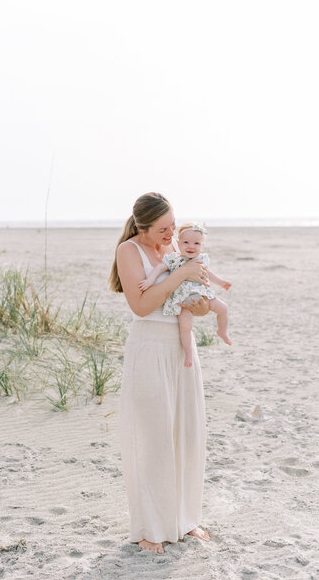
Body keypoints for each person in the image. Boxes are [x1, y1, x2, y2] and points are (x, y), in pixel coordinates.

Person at [109, 192, 211, 555]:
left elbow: (192, 306)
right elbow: (141, 305)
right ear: (143, 226)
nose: (172, 232)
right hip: (149, 349)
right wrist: (181, 273)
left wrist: (199, 304)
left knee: (187, 433)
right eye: (164, 228)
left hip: (182, 350)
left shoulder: (178, 251)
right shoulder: (129, 252)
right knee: (153, 440)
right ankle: (150, 528)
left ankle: (184, 520)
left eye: (174, 224)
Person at [138, 221, 232, 367]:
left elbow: (208, 273)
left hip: (203, 295)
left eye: (196, 243)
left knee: (223, 308)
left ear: (202, 246)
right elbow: (159, 268)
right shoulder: (174, 259)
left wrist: (221, 282)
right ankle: (188, 355)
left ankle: (222, 331)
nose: (191, 246)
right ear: (179, 243)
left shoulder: (200, 260)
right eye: (186, 242)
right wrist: (150, 280)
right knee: (185, 327)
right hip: (183, 301)